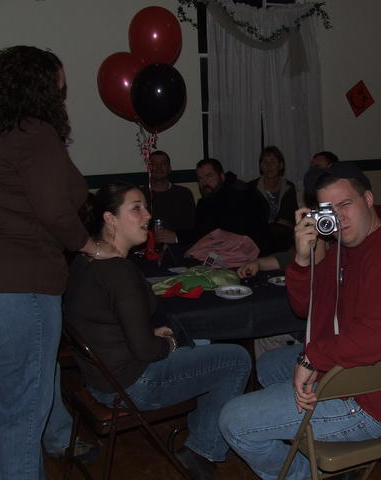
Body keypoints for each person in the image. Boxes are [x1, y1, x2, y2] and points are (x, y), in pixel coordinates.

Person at [0, 46, 119, 480]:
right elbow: (54, 210)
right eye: (58, 86)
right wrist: (92, 246)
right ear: (37, 86)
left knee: (8, 411)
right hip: (19, 288)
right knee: (23, 417)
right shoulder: (34, 132)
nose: (61, 95)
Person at [219, 163, 381, 480]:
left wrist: (313, 357)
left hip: (368, 400)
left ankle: (305, 473)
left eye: (346, 204)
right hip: (348, 370)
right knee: (270, 365)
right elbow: (306, 308)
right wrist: (303, 258)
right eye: (330, 209)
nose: (339, 217)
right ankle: (307, 439)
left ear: (368, 199)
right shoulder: (346, 248)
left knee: (233, 421)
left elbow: (378, 337)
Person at [65, 182, 251, 480]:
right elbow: (145, 350)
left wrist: (153, 337)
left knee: (203, 346)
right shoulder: (118, 272)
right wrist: (168, 342)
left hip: (100, 380)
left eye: (145, 207)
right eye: (136, 208)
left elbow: (111, 325)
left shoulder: (84, 260)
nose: (148, 215)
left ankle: (200, 432)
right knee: (236, 359)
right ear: (110, 219)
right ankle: (203, 451)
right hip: (131, 386)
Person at [195, 158, 270, 255]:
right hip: (218, 253)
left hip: (247, 254)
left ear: (222, 177)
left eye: (208, 176)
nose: (204, 182)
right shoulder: (203, 204)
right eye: (200, 178)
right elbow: (200, 235)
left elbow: (246, 235)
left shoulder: (241, 195)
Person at [249, 146, 299, 253]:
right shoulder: (252, 187)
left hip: (283, 236)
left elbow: (292, 216)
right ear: (261, 166)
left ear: (281, 165)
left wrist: (288, 224)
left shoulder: (289, 187)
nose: (269, 166)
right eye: (265, 162)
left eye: (273, 162)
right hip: (259, 236)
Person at [140, 150, 196, 244]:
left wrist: (176, 237)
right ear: (148, 169)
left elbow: (193, 228)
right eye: (154, 164)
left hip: (179, 247)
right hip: (146, 248)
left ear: (169, 168)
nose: (158, 167)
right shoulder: (140, 195)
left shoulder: (184, 194)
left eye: (163, 164)